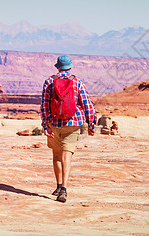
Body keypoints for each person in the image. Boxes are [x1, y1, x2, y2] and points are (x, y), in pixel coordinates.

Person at [40, 55, 97, 203]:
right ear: (70, 67)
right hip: (73, 124)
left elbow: (45, 106)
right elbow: (87, 105)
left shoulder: (49, 81)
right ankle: (64, 189)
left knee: (56, 155)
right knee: (67, 156)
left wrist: (45, 125)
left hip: (54, 123)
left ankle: (58, 186)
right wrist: (91, 124)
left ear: (57, 67)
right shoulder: (76, 81)